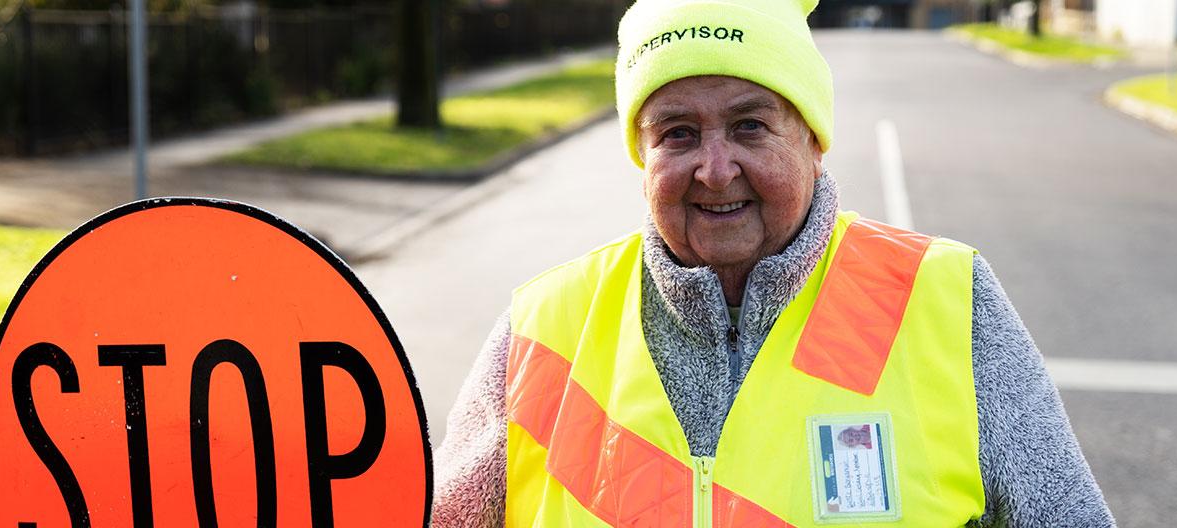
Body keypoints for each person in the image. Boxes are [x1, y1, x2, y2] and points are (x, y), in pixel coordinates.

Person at [431, 0, 1116, 526]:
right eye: (677, 133)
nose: (715, 168)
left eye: (750, 125)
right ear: (642, 158)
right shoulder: (542, 327)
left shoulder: (946, 299)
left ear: (814, 140)